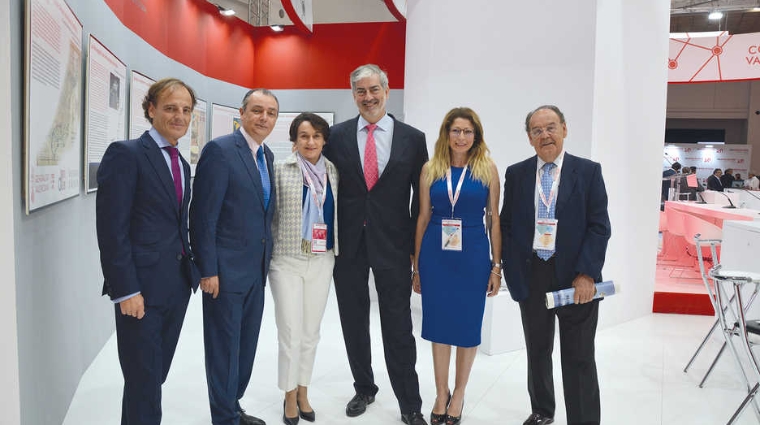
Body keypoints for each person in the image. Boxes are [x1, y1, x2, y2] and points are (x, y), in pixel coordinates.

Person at [322, 64, 429, 425]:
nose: (368, 97)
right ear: (353, 95)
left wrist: (417, 247)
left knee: (397, 326)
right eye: (360, 91)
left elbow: (421, 199)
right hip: (348, 245)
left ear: (386, 90)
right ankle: (364, 387)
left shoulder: (412, 139)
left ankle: (410, 403)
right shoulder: (335, 136)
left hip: (394, 245)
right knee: (353, 321)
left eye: (374, 89)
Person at [96, 77, 200, 425]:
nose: (179, 116)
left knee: (153, 378)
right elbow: (112, 230)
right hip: (140, 290)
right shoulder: (125, 154)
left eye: (186, 110)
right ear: (151, 109)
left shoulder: (182, 164)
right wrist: (125, 289)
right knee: (143, 382)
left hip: (176, 286)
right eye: (171, 108)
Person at [499, 105, 611, 425]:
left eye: (550, 127)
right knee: (537, 351)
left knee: (578, 356)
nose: (544, 135)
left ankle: (584, 420)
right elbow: (507, 225)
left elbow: (599, 226)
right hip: (532, 274)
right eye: (537, 130)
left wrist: (587, 273)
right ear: (529, 138)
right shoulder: (517, 173)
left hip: (576, 277)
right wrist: (511, 271)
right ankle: (542, 411)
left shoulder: (588, 172)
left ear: (564, 128)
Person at [190, 89, 279, 425]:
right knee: (224, 349)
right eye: (257, 110)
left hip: (256, 270)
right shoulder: (221, 151)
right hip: (224, 273)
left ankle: (232, 406)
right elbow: (202, 216)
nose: (264, 118)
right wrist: (208, 269)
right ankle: (224, 418)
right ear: (242, 112)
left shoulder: (266, 155)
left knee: (244, 348)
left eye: (271, 112)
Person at [412, 107, 501, 425]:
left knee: (466, 325)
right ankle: (440, 392)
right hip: (436, 254)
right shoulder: (430, 169)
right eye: (456, 131)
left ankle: (459, 394)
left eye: (467, 131)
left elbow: (493, 220)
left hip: (474, 255)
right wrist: (417, 266)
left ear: (475, 136)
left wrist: (496, 266)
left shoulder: (487, 168)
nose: (461, 137)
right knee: (438, 325)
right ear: (446, 134)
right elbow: (422, 217)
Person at [269, 113, 339, 425]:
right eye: (303, 136)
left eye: (316, 136)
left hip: (322, 259)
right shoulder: (280, 169)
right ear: (294, 141)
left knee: (311, 332)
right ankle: (288, 394)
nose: (310, 142)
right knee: (290, 332)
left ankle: (303, 390)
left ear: (324, 140)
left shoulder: (333, 171)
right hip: (287, 259)